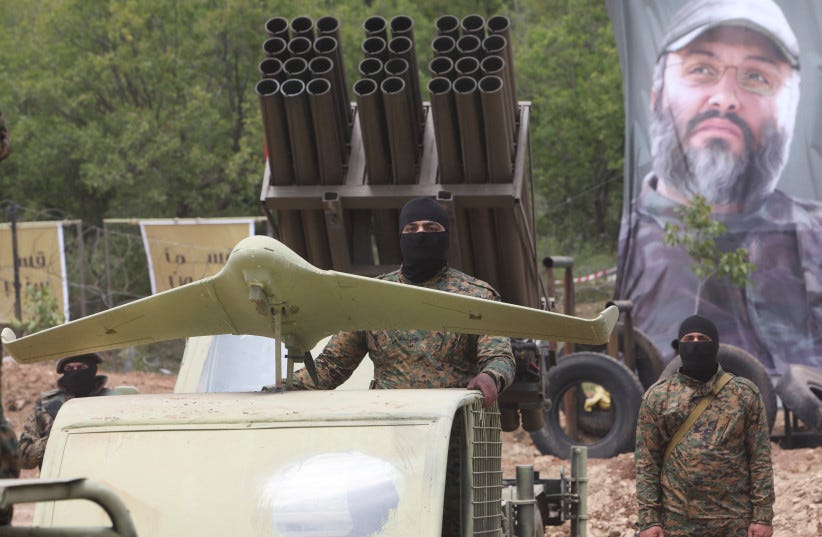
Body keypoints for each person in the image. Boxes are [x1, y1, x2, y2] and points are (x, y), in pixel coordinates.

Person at [615, 0, 822, 375]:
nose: (725, 98)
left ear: (790, 111)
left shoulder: (815, 235)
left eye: (756, 77)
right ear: (656, 95)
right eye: (702, 68)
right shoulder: (628, 242)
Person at [286, 196, 516, 408]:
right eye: (411, 228)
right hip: (389, 430)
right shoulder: (372, 297)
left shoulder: (474, 296)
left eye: (431, 228)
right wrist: (280, 388)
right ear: (400, 236)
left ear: (445, 236)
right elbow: (332, 365)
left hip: (451, 432)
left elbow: (499, 356)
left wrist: (491, 377)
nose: (421, 234)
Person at [635, 315, 774, 537]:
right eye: (689, 338)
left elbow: (759, 459)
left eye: (703, 338)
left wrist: (763, 517)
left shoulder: (744, 394)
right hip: (678, 523)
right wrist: (649, 520)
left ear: (716, 344)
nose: (696, 343)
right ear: (680, 346)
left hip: (734, 522)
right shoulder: (659, 397)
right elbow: (647, 462)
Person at [18, 353, 114, 469]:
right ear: (63, 372)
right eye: (69, 368)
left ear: (93, 369)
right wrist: (57, 438)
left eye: (81, 367)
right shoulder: (46, 405)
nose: (75, 372)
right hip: (59, 483)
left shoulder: (113, 401)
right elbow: (23, 458)